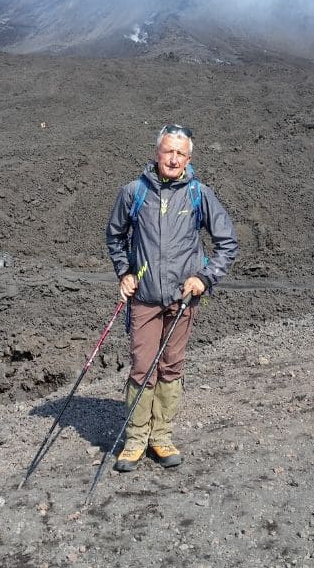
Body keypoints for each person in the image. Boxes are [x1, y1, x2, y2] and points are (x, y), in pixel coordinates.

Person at [105, 123, 238, 472]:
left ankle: (161, 437)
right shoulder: (134, 192)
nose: (174, 158)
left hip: (182, 300)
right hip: (145, 298)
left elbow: (227, 242)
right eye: (168, 151)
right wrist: (125, 272)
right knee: (141, 367)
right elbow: (115, 236)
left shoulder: (199, 194)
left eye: (180, 153)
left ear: (189, 157)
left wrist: (204, 279)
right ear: (157, 153)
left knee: (171, 367)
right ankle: (135, 440)